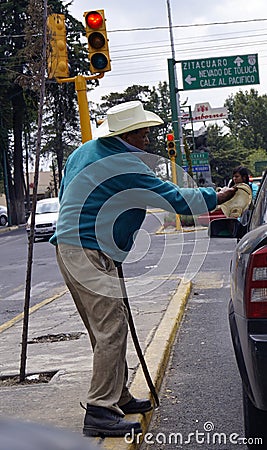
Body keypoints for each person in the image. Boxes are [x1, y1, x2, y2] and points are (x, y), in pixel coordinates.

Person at [50, 101, 237, 438]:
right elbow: (174, 199)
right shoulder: (124, 163)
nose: (149, 138)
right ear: (130, 134)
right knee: (111, 325)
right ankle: (99, 410)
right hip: (88, 248)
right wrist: (217, 196)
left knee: (107, 325)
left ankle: (116, 395)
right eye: (144, 132)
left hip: (74, 246)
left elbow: (69, 195)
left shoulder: (85, 151)